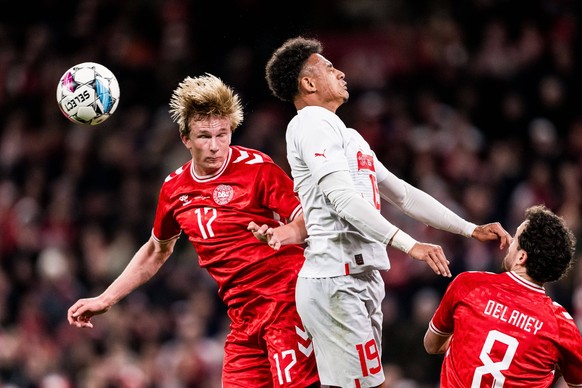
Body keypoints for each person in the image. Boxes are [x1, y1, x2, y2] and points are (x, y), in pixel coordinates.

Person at [261, 36, 511, 388]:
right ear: (308, 83)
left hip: (360, 277)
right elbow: (342, 200)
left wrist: (469, 228)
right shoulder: (310, 124)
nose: (342, 72)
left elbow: (404, 195)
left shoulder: (347, 135)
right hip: (335, 278)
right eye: (330, 68)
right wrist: (411, 245)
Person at [67, 73, 320, 388]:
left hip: (288, 307)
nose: (215, 147)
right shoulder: (175, 188)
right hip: (244, 321)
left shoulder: (258, 169)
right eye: (203, 136)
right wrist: (106, 298)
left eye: (222, 134)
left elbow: (310, 219)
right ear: (185, 138)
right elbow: (157, 249)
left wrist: (285, 234)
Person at [424, 204, 582, 387]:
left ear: (522, 257)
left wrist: (467, 340)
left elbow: (431, 345)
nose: (509, 242)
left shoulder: (469, 286)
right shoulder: (561, 325)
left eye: (515, 238)